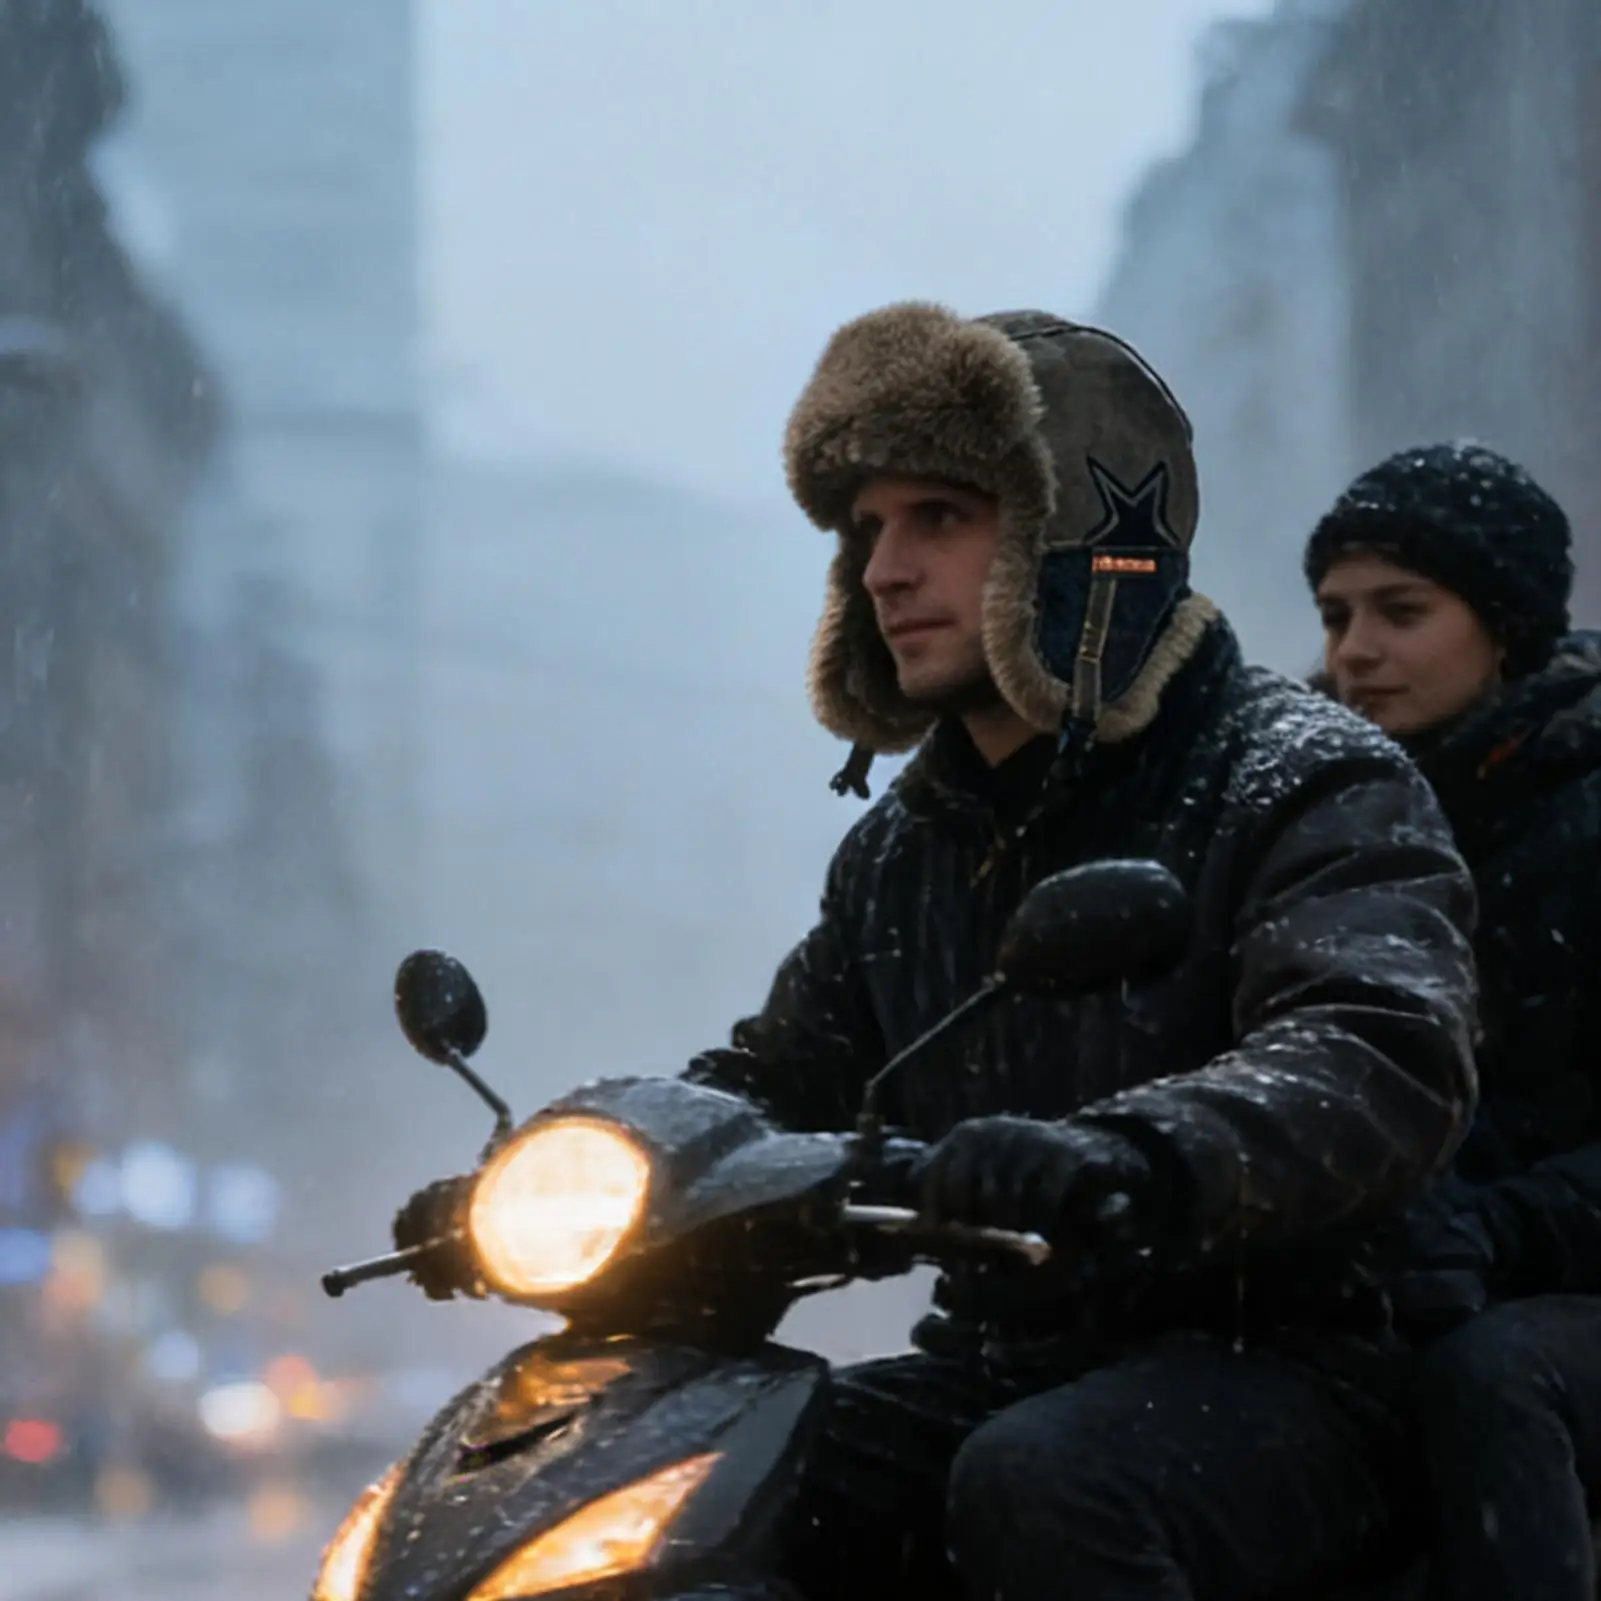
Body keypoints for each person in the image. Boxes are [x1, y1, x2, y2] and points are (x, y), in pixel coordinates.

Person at [398, 305, 1477, 1601]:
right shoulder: (907, 850)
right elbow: (778, 1078)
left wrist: (1131, 1154)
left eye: (940, 519)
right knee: (699, 1466)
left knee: (1041, 1482)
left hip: (1297, 1362)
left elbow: (1372, 1049)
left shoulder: (1304, 778)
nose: (880, 571)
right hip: (1011, 1353)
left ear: (1077, 541)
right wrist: (572, 1184)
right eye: (865, 530)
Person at [1310, 440, 1601, 1601]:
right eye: (1333, 614)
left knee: (1488, 1376)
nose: (1353, 651)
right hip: (1411, 1275)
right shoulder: (1327, 823)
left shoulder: (1582, 819)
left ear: (1505, 623)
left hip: (1539, 1293)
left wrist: (1498, 1228)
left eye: (1400, 609)